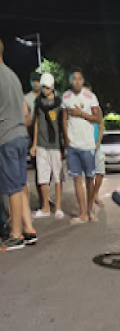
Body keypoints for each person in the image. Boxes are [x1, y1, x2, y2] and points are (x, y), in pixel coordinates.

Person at [0, 39, 37, 251]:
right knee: (21, 184)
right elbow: (26, 112)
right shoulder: (12, 76)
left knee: (13, 188)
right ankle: (29, 230)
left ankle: (16, 236)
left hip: (7, 137)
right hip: (21, 135)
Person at [62, 68, 102, 224]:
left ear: (83, 80)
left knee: (89, 179)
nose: (76, 81)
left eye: (79, 78)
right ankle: (83, 213)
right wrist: (66, 137)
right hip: (73, 145)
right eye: (74, 78)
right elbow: (64, 119)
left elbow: (98, 119)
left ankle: (90, 209)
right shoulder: (66, 97)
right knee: (76, 179)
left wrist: (81, 114)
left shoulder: (90, 97)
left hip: (87, 145)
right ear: (70, 81)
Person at [30, 72, 64, 219]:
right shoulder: (38, 102)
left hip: (56, 145)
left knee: (57, 177)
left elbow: (63, 124)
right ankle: (45, 207)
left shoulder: (59, 103)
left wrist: (64, 146)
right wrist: (34, 144)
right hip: (42, 145)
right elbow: (36, 123)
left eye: (47, 87)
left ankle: (58, 207)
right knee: (42, 177)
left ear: (53, 87)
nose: (45, 90)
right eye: (44, 87)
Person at [24, 71, 44, 208]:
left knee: (48, 172)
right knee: (39, 169)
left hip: (47, 137)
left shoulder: (47, 96)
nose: (36, 83)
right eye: (34, 80)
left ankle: (46, 198)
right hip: (32, 137)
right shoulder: (26, 98)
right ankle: (42, 200)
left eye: (38, 80)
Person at [85, 83, 105, 207]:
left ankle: (95, 194)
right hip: (84, 146)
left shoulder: (97, 109)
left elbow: (101, 126)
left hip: (97, 146)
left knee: (100, 172)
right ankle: (90, 201)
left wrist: (98, 142)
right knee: (89, 176)